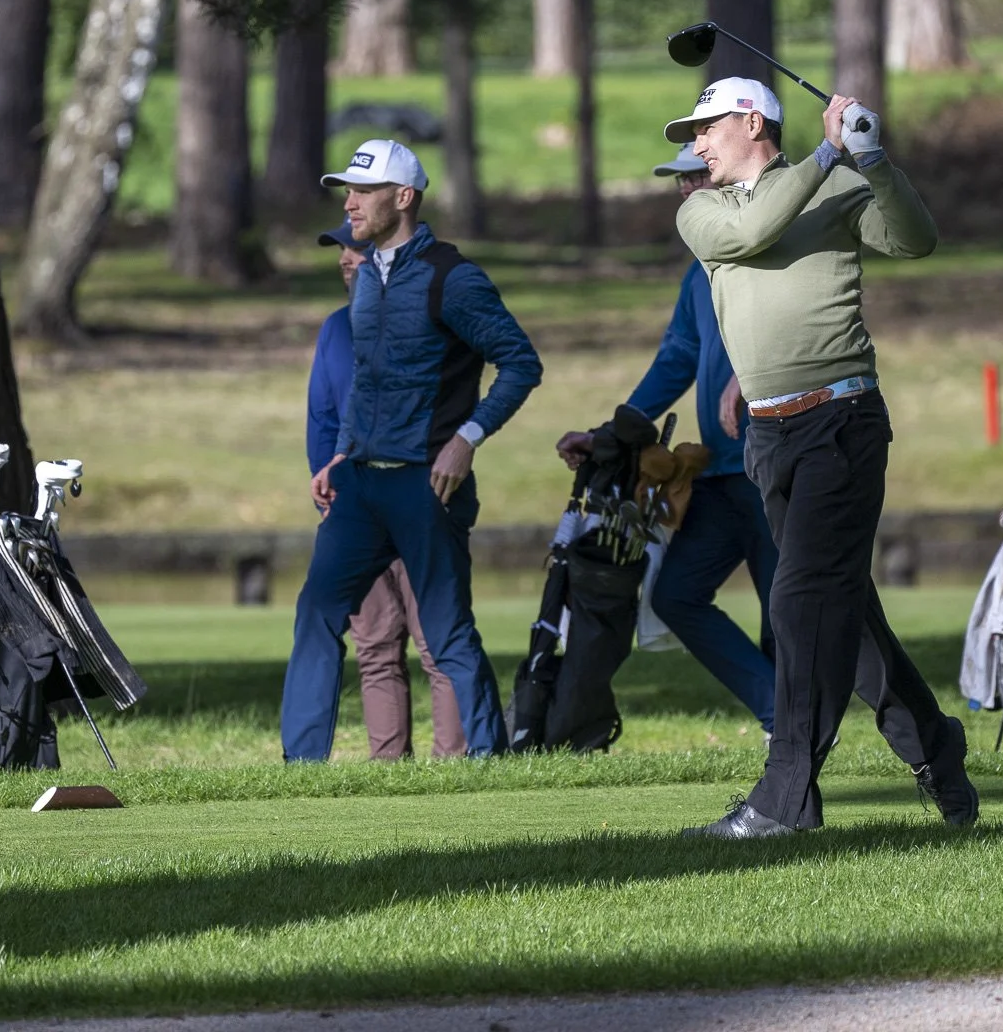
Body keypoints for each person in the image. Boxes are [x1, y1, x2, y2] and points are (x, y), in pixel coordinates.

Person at [668, 76, 978, 839]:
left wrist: (873, 163)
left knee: (800, 602)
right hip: (768, 437)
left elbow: (914, 238)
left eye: (705, 127)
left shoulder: (836, 183)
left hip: (841, 421)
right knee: (848, 615)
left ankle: (785, 800)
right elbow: (752, 237)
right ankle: (935, 744)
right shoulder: (702, 210)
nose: (695, 143)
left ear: (750, 120)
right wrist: (826, 152)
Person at [281, 139, 543, 761]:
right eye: (347, 191)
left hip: (428, 484)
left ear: (403, 198)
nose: (349, 203)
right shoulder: (367, 275)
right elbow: (369, 383)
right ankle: (301, 768)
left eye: (363, 192)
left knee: (448, 632)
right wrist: (341, 453)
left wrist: (466, 440)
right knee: (316, 611)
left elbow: (521, 364)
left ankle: (489, 764)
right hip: (361, 484)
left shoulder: (454, 279)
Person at [553, 141, 778, 732]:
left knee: (789, 612)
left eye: (694, 177)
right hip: (721, 475)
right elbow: (676, 360)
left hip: (773, 465)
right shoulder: (695, 275)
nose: (683, 190)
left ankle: (809, 734)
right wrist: (612, 432)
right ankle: (784, 714)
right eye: (678, 181)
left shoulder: (763, 257)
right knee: (676, 595)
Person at [307, 220, 467, 760]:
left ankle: (456, 770)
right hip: (352, 509)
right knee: (374, 647)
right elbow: (322, 418)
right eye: (342, 253)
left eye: (358, 248)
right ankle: (388, 770)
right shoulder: (333, 328)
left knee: (438, 643)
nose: (347, 260)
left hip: (419, 500)